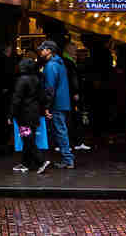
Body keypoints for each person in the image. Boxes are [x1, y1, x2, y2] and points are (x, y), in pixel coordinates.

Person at [38, 41, 74, 169]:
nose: (40, 51)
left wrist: (47, 106)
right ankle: (66, 158)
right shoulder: (59, 63)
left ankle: (68, 159)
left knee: (60, 131)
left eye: (42, 49)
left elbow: (50, 88)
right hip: (62, 102)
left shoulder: (51, 66)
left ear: (49, 51)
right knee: (60, 130)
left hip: (56, 104)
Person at [11, 56, 47, 173]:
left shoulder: (21, 80)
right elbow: (42, 97)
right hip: (34, 113)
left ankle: (41, 161)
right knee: (29, 137)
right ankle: (25, 163)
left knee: (27, 139)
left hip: (23, 114)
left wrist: (11, 114)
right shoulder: (37, 79)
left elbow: (17, 99)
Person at [63, 40, 90, 152]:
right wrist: (75, 92)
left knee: (71, 118)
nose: (76, 52)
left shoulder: (67, 61)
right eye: (74, 50)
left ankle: (73, 141)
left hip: (68, 93)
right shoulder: (69, 62)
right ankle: (75, 141)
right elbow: (73, 79)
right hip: (71, 94)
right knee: (73, 117)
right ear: (69, 50)